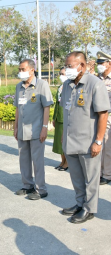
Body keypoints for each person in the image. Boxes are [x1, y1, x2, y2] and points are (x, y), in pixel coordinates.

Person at [60, 51, 109, 223]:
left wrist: (98, 141)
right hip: (70, 141)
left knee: (91, 178)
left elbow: (103, 114)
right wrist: (63, 138)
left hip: (88, 142)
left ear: (82, 65)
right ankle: (80, 203)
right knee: (76, 176)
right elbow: (66, 111)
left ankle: (89, 209)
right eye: (66, 66)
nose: (67, 69)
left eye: (70, 66)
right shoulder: (67, 85)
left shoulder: (95, 84)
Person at [14, 59, 53, 200]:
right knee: (23, 159)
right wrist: (15, 126)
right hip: (22, 130)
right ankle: (27, 185)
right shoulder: (19, 86)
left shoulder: (42, 85)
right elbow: (18, 108)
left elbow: (46, 107)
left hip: (36, 129)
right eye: (19, 69)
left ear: (32, 69)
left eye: (22, 69)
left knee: (38, 161)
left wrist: (44, 128)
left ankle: (41, 189)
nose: (20, 72)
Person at [96, 51, 111, 185]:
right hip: (97, 116)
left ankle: (107, 174)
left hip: (109, 116)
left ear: (109, 64)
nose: (99, 65)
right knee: (98, 144)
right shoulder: (97, 78)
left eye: (102, 63)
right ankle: (99, 172)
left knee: (107, 146)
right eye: (98, 63)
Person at [52, 67, 68, 171]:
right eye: (60, 74)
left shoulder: (70, 87)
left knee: (64, 141)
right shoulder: (60, 87)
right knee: (58, 141)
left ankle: (67, 163)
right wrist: (54, 117)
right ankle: (62, 161)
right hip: (59, 117)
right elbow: (57, 104)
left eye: (63, 74)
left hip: (65, 118)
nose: (61, 76)